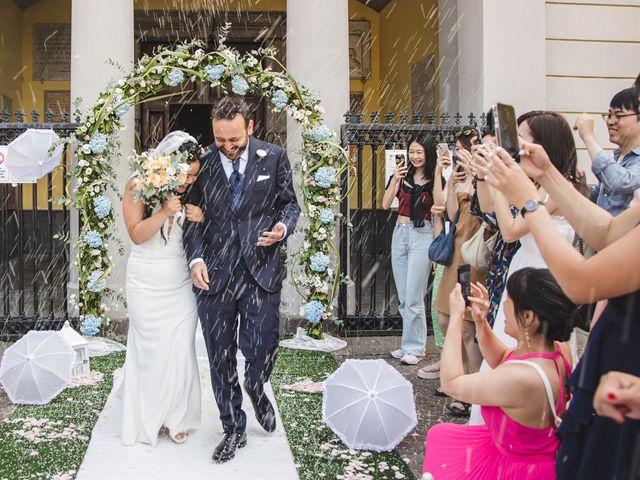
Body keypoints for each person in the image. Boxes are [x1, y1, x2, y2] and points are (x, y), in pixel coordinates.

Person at [481, 137, 640, 479]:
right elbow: (608, 232)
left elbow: (581, 283)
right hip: (616, 360)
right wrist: (548, 173)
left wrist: (529, 201)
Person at [184, 96, 300, 463]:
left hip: (260, 270)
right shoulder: (201, 164)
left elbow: (289, 204)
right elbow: (192, 217)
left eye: (234, 139)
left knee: (262, 346)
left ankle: (256, 385)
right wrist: (196, 258)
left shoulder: (275, 157)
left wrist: (281, 228)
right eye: (221, 140)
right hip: (215, 275)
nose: (228, 147)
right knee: (219, 356)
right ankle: (233, 426)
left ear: (249, 127)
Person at [468, 111, 578, 425]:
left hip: (546, 278)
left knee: (533, 351)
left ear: (544, 144)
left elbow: (511, 230)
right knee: (511, 346)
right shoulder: (533, 182)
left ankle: (518, 423)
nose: (516, 144)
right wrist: (487, 176)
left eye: (523, 137)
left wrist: (501, 180)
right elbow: (490, 209)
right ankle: (493, 422)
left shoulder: (558, 187)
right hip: (524, 269)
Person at [422, 268, 577, 479]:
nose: (503, 305)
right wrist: (480, 321)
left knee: (444, 447)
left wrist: (456, 317)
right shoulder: (558, 348)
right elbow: (503, 356)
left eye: (509, 299)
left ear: (528, 316)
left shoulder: (523, 379)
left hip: (520, 470)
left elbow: (451, 383)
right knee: (441, 435)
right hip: (526, 454)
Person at [120, 131, 203, 446]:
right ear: (168, 164)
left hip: (179, 284)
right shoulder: (138, 184)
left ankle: (178, 416)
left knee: (182, 348)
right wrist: (165, 212)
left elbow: (206, 228)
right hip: (145, 283)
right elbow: (137, 235)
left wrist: (201, 215)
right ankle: (151, 416)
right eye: (184, 173)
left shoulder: (193, 191)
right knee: (151, 354)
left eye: (194, 175)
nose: (188, 181)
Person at [432, 130, 485, 416]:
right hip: (457, 252)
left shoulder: (486, 178)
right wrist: (451, 181)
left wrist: (479, 178)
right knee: (444, 318)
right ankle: (462, 377)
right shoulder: (461, 176)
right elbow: (452, 213)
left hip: (475, 256)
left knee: (467, 327)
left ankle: (474, 389)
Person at [382, 134, 437, 365]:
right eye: (412, 152)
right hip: (400, 232)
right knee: (404, 297)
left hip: (423, 233)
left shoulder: (434, 179)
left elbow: (438, 214)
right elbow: (385, 204)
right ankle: (407, 346)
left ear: (428, 153)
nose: (415, 156)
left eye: (419, 152)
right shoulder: (402, 176)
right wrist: (395, 179)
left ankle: (416, 347)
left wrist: (435, 249)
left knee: (414, 296)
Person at [574, 87, 640, 216]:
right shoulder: (616, 156)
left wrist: (589, 137)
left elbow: (621, 182)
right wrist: (584, 189)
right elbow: (604, 200)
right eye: (609, 115)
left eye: (619, 115)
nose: (610, 121)